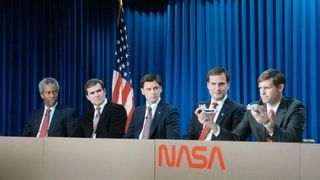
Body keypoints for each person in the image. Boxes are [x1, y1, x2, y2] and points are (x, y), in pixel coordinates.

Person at [196, 69, 306, 142]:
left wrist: (267, 123)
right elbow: (236, 139)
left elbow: (293, 141)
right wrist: (212, 125)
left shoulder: (295, 108)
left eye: (267, 88)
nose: (262, 93)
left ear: (280, 88)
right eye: (260, 88)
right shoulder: (254, 107)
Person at [184, 67, 245, 140]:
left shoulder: (238, 109)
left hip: (219, 150)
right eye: (213, 84)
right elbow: (189, 136)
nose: (217, 88)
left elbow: (236, 140)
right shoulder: (199, 106)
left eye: (221, 84)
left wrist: (211, 124)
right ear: (208, 85)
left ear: (228, 85)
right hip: (197, 150)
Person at [124, 73, 180, 139]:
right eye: (149, 89)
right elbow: (128, 138)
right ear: (142, 91)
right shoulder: (138, 112)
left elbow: (172, 140)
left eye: (155, 88)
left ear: (161, 89)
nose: (153, 92)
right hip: (137, 147)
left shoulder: (170, 111)